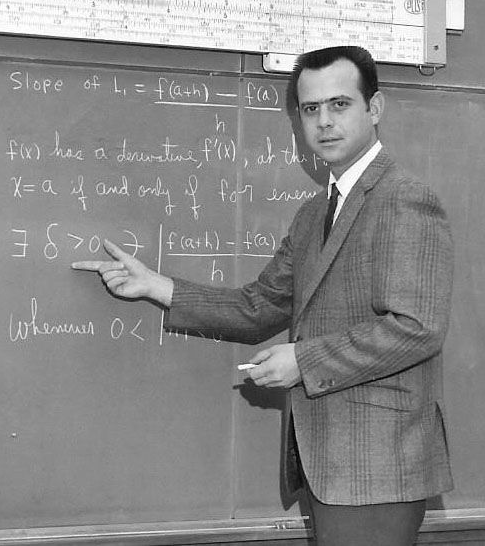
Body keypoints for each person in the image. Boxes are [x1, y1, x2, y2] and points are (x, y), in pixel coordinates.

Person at [72, 45, 453, 546]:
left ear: (374, 109)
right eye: (310, 109)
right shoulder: (316, 211)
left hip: (378, 465)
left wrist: (304, 360)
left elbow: (416, 327)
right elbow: (258, 307)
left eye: (339, 105)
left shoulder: (404, 198)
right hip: (331, 466)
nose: (323, 122)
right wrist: (154, 286)